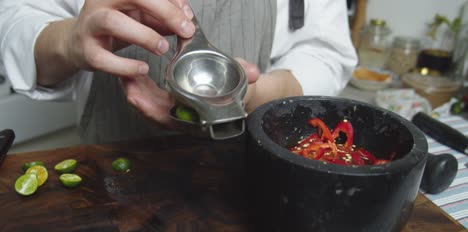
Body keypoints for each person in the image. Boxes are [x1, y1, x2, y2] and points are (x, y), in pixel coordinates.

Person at [0, 0, 357, 144]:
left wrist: (255, 95)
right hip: (111, 184)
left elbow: (325, 50)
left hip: (245, 182)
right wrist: (69, 42)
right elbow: (15, 21)